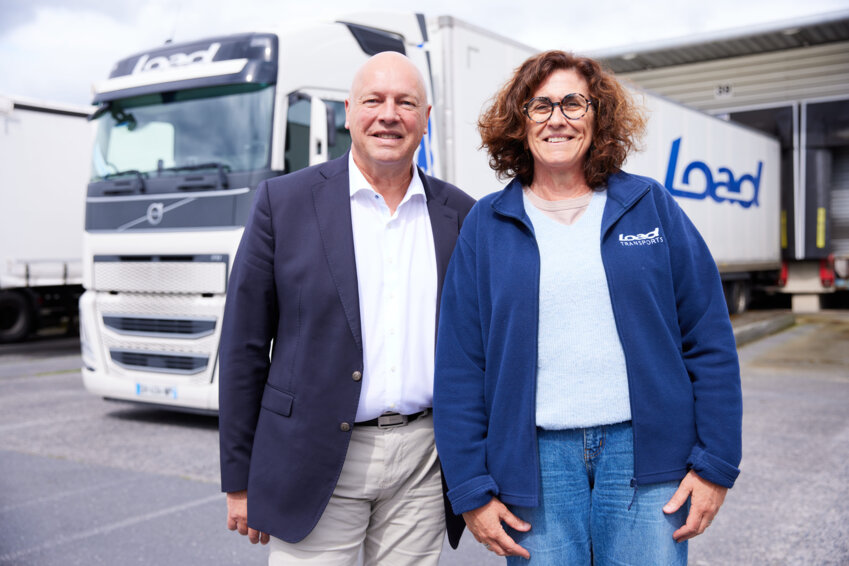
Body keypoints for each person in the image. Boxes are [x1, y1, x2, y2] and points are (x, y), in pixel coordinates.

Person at [433, 50, 742, 565]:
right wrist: (470, 488)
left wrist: (715, 465)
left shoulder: (649, 205)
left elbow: (708, 337)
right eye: (540, 105)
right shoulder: (487, 224)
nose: (557, 118)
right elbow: (461, 365)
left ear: (598, 116)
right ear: (520, 120)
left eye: (574, 104)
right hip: (535, 465)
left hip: (647, 458)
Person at [218, 51, 474, 565]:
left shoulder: (461, 214)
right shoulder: (282, 203)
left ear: (425, 119)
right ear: (348, 111)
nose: (388, 114)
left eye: (405, 103)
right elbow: (243, 346)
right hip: (314, 457)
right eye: (373, 100)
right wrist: (240, 480)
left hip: (424, 462)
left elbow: (478, 349)